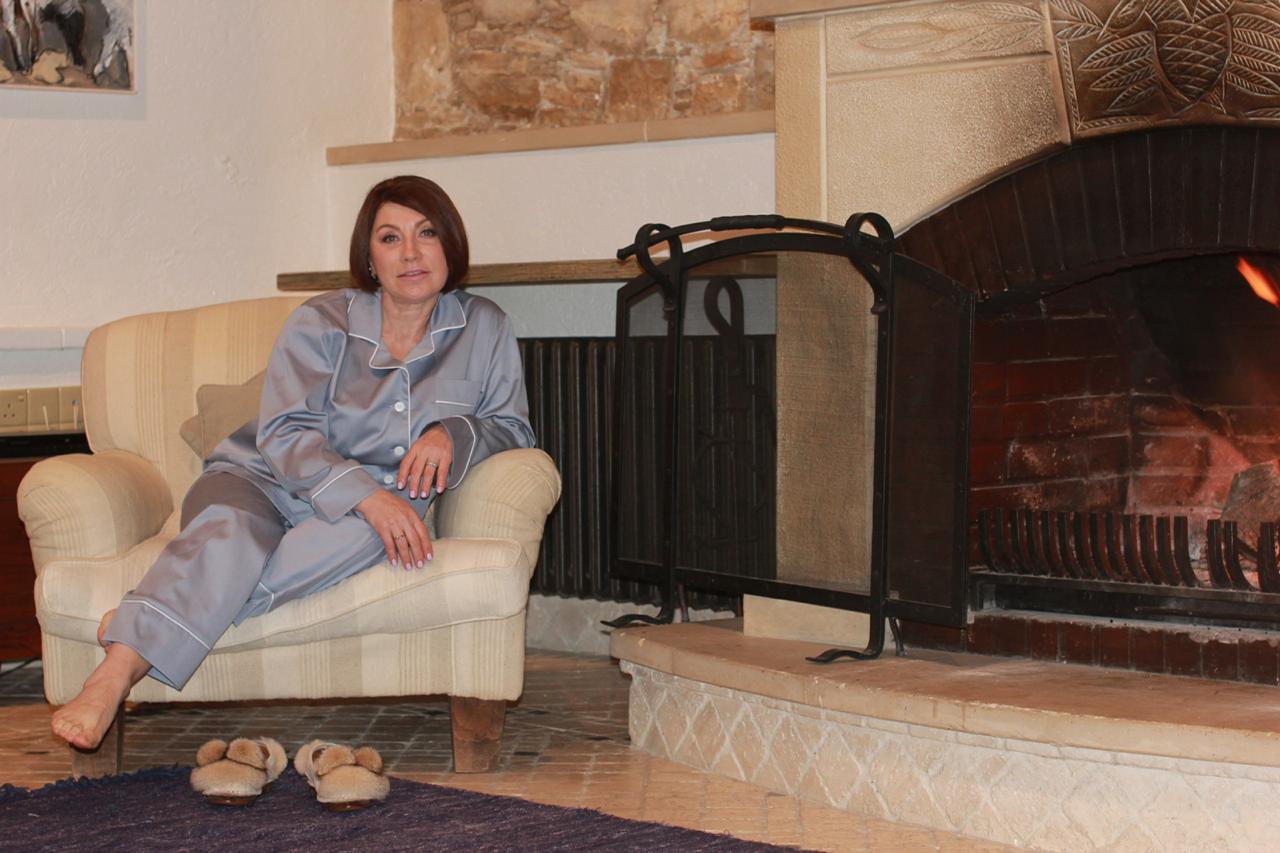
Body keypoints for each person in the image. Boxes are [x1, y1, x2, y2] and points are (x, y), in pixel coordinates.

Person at [51, 176, 536, 750]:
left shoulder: (486, 326)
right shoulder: (321, 321)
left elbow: (512, 427)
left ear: (450, 244)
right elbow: (284, 432)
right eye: (390, 238)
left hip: (372, 512)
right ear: (369, 258)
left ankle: (144, 624)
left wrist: (453, 433)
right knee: (231, 531)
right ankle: (113, 676)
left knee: (388, 530)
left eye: (426, 233)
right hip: (258, 478)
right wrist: (366, 495)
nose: (410, 252)